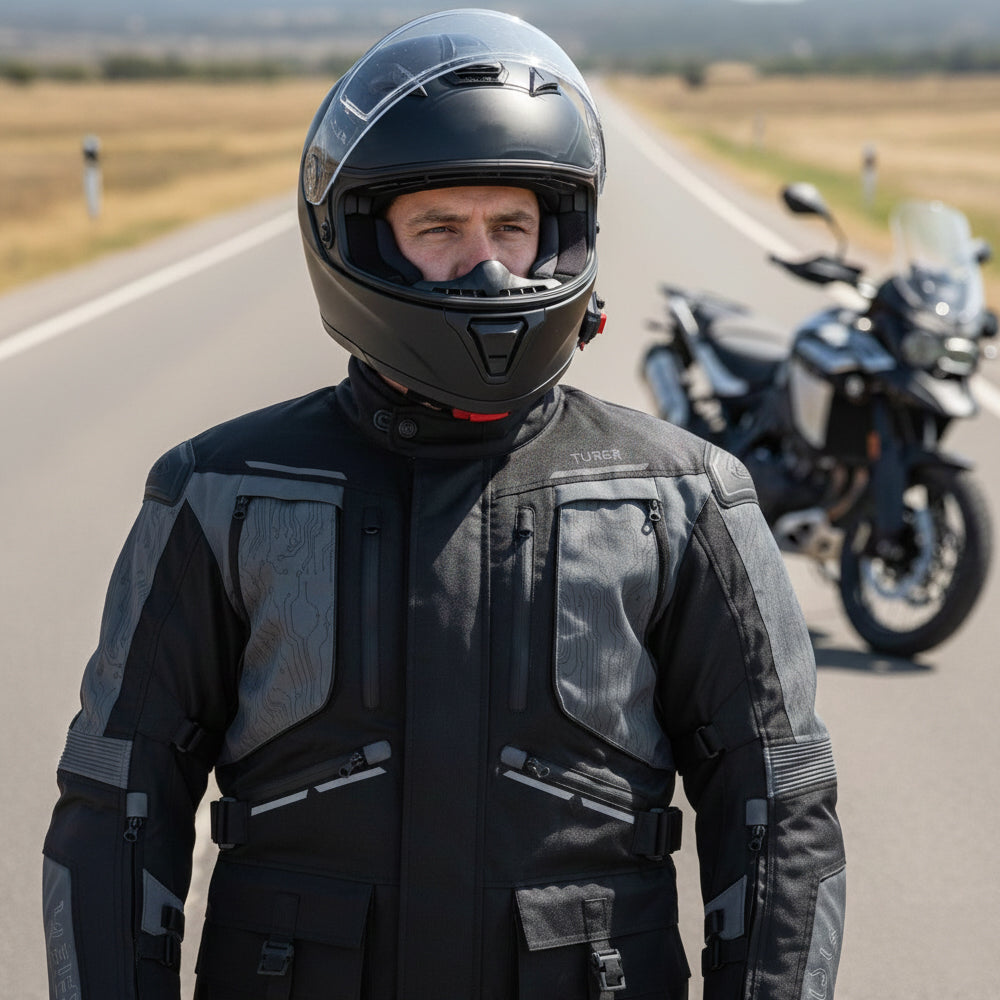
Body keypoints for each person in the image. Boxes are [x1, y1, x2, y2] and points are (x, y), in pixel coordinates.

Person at [43, 9, 845, 1000]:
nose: (488, 264)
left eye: (512, 226)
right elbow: (117, 807)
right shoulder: (218, 491)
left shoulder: (684, 498)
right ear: (363, 243)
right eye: (439, 229)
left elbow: (779, 813)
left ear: (561, 236)